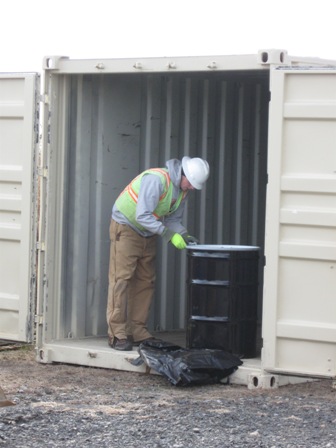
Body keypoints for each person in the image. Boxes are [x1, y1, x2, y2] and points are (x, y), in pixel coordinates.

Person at [106, 156, 210, 351]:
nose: (193, 188)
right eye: (192, 183)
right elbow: (142, 215)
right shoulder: (157, 180)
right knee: (121, 279)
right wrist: (169, 235)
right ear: (183, 174)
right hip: (126, 227)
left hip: (148, 231)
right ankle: (117, 334)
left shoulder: (182, 190)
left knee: (146, 281)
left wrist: (183, 234)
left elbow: (172, 220)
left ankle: (137, 331)